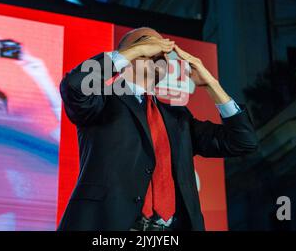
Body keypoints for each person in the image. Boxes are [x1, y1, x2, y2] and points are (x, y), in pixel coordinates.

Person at [58, 27, 258, 231]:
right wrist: (137, 51)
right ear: (126, 55)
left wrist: (211, 85)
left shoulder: (178, 116)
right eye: (147, 42)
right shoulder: (101, 99)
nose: (159, 49)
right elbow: (74, 86)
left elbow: (242, 141)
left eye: (162, 48)